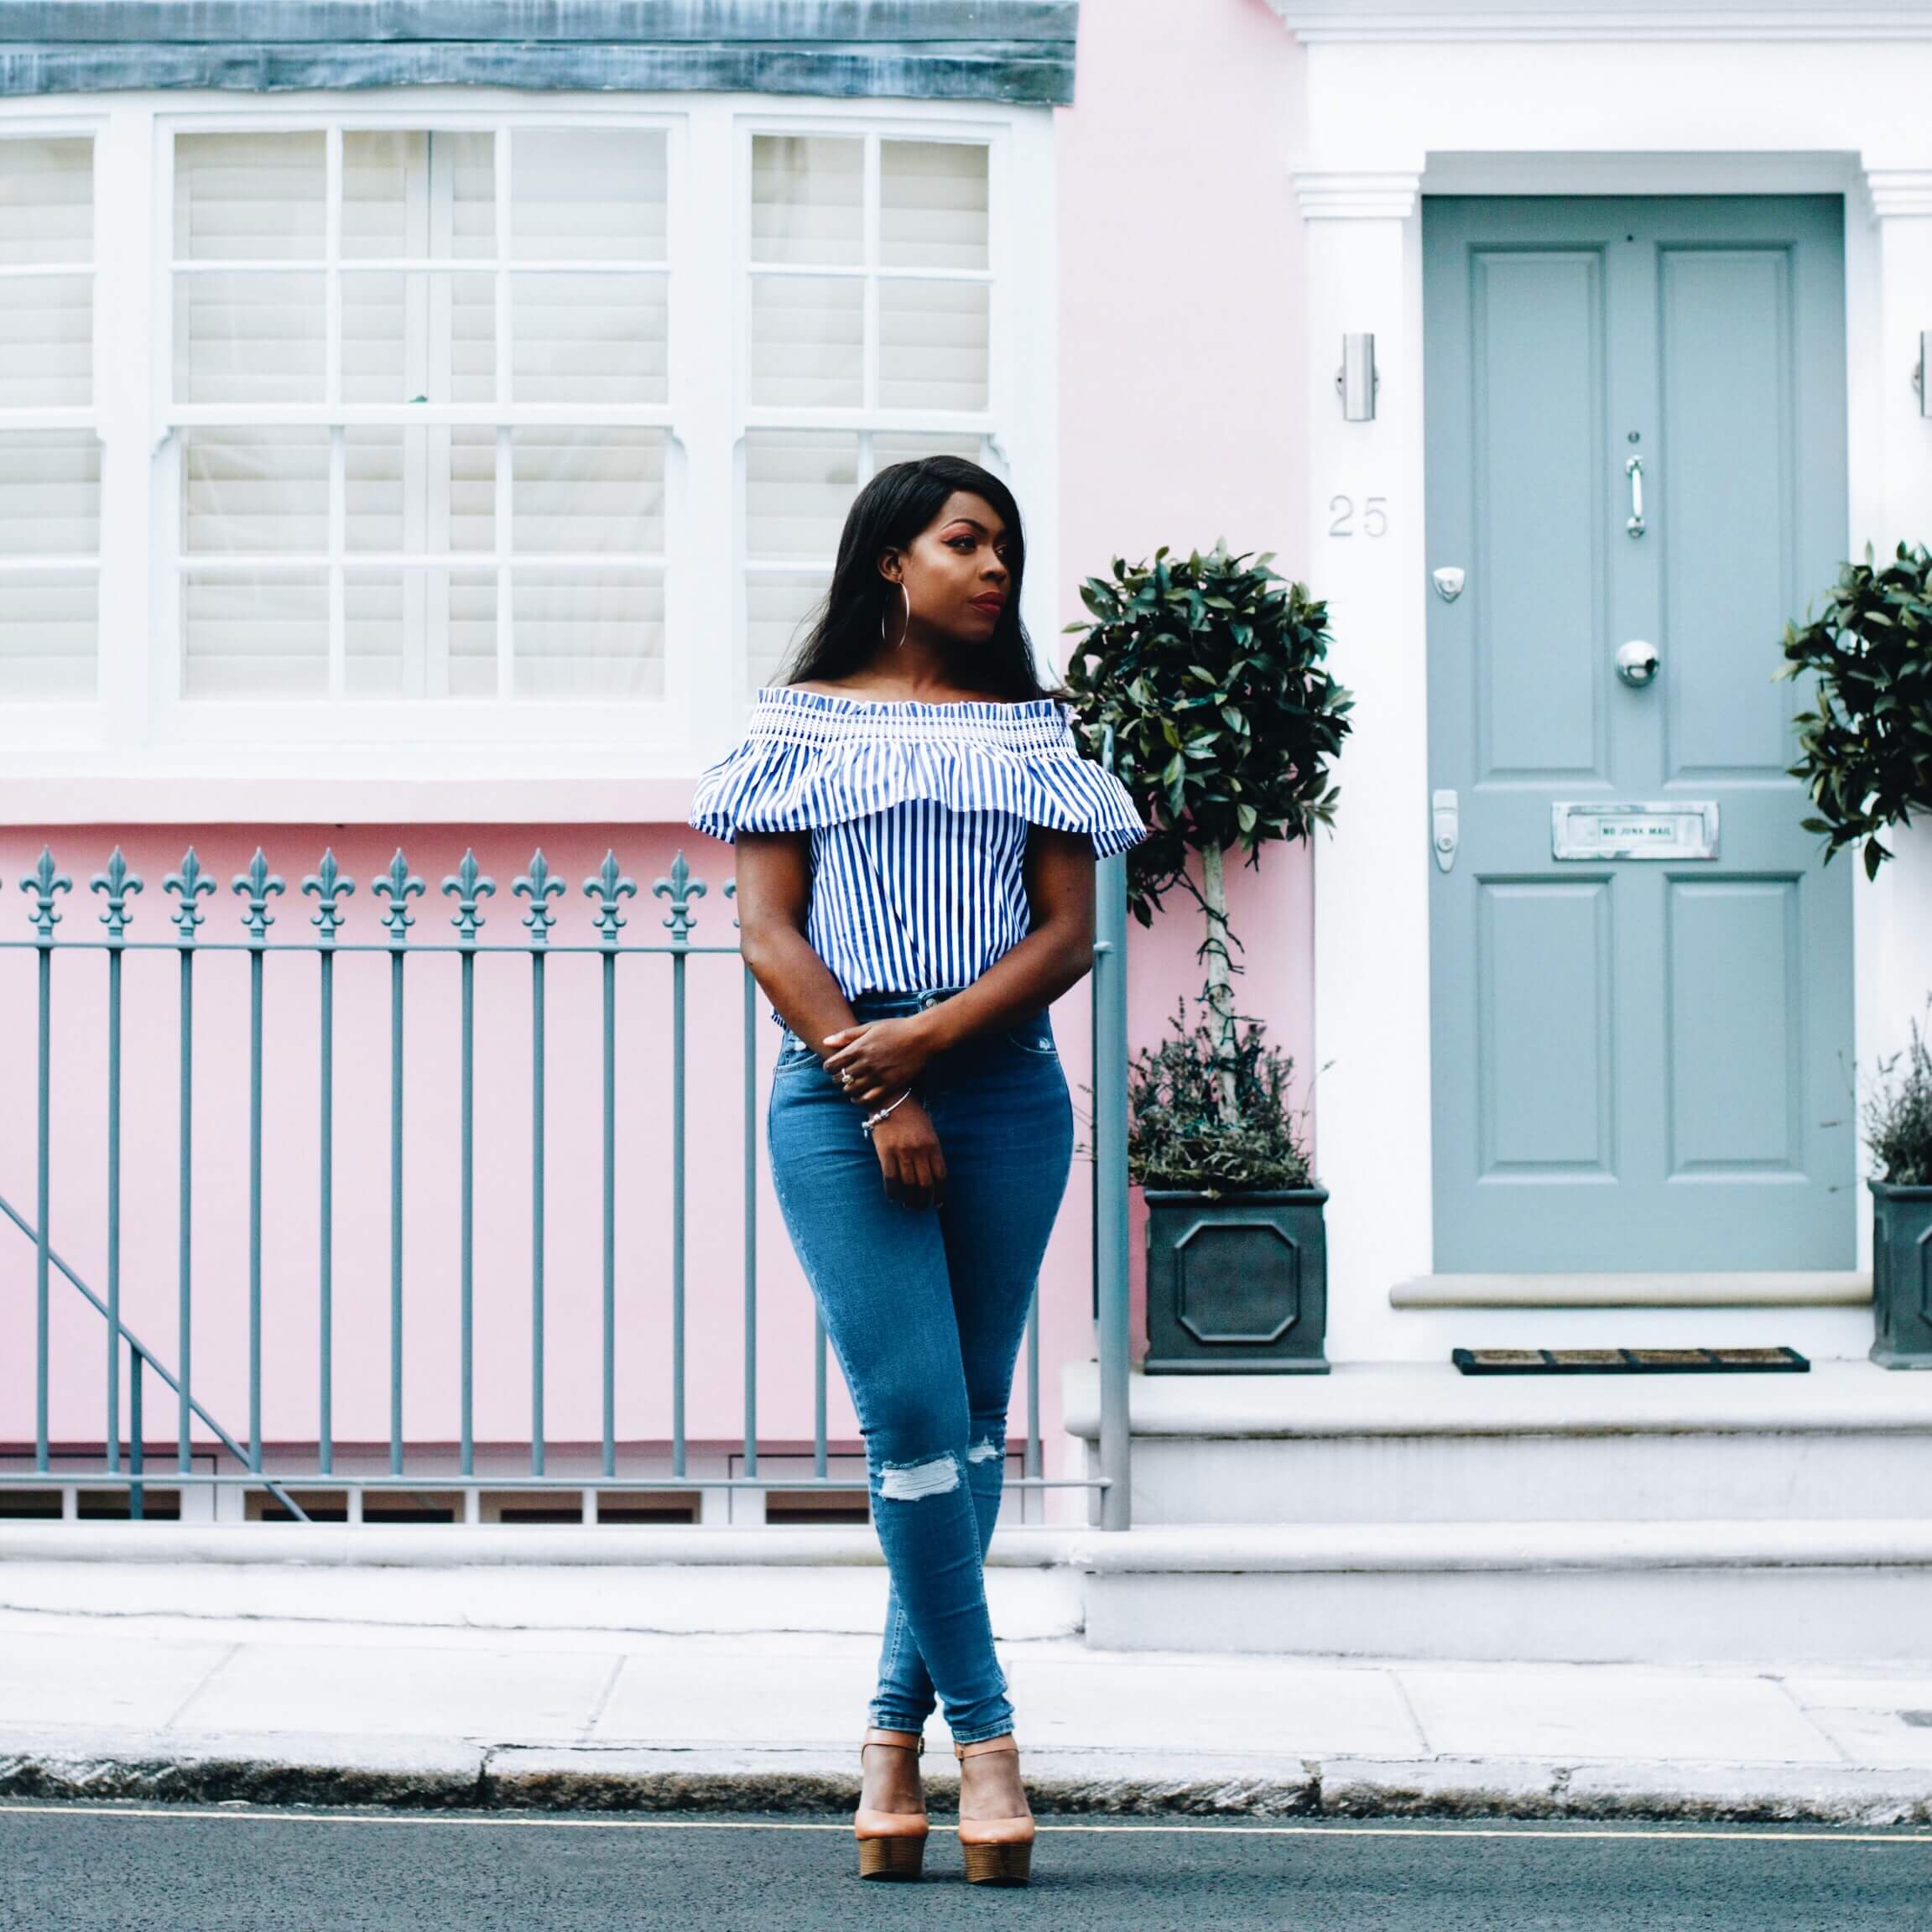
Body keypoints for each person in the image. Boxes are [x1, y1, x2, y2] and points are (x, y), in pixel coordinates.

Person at [687, 456, 1148, 1885]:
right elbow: (770, 932)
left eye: (1006, 542)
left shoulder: (1034, 733)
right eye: (964, 540)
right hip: (838, 1102)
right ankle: (991, 1750)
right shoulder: (797, 728)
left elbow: (1068, 939)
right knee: (908, 1420)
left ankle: (891, 1742)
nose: (995, 564)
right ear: (893, 558)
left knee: (968, 1421)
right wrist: (871, 1075)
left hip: (1006, 1095)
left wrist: (930, 1046)